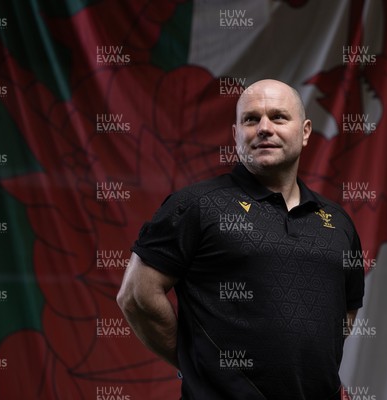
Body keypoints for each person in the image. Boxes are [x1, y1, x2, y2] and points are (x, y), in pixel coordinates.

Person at [117, 79, 365, 399]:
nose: (264, 128)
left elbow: (345, 312)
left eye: (278, 117)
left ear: (305, 132)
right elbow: (136, 295)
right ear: (236, 134)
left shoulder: (339, 222)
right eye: (251, 119)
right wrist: (198, 365)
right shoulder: (195, 206)